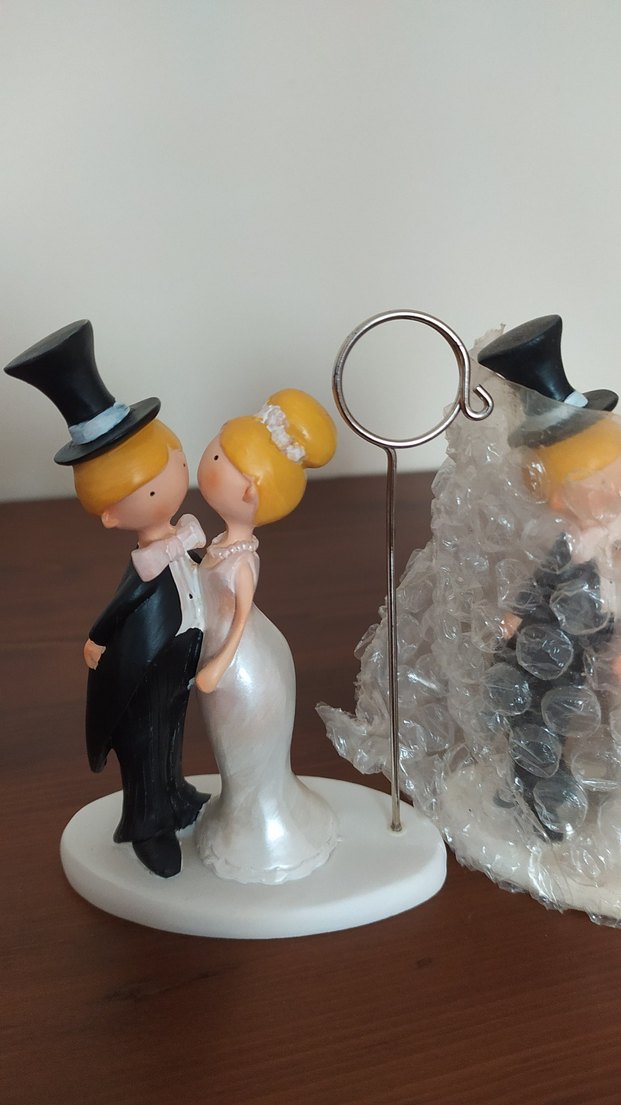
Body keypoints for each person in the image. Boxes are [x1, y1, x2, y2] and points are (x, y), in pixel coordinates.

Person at [5, 320, 208, 877]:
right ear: (111, 514)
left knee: (172, 734)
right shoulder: (144, 565)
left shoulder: (183, 540)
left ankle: (175, 796)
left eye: (175, 462)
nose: (175, 477)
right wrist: (96, 639)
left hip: (180, 656)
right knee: (144, 742)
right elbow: (121, 607)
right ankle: (147, 824)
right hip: (144, 666)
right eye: (151, 485)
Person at [194, 388, 338, 883]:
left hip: (243, 670)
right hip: (222, 655)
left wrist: (218, 665)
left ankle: (257, 829)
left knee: (241, 747)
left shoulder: (243, 563)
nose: (207, 459)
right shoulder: (222, 544)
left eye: (219, 458)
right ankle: (239, 813)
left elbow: (239, 619)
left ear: (249, 491)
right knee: (227, 747)